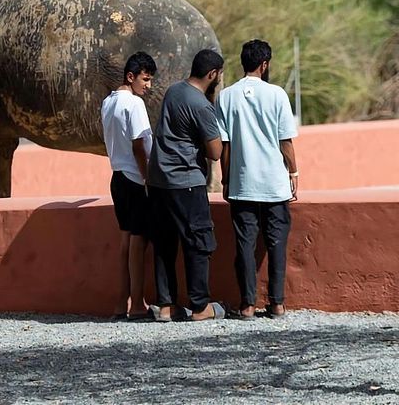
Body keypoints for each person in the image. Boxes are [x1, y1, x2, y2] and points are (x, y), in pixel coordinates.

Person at [216, 39, 299, 320]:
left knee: (244, 245)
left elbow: (224, 146)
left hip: (242, 183)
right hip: (274, 183)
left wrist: (226, 181)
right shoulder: (277, 95)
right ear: (264, 64)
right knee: (277, 243)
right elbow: (285, 141)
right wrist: (294, 171)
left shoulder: (226, 96)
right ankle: (277, 304)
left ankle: (247, 305)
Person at [147, 49, 225, 322]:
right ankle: (200, 306)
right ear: (212, 74)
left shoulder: (174, 91)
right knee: (198, 241)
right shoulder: (201, 104)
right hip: (186, 181)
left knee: (165, 244)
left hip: (158, 180)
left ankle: (167, 305)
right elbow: (215, 152)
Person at [101, 51, 157, 321]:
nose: (148, 86)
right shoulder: (134, 104)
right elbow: (140, 144)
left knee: (126, 240)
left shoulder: (108, 102)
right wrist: (148, 178)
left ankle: (121, 302)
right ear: (131, 76)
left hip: (117, 176)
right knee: (138, 241)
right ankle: (137, 304)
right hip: (135, 177)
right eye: (145, 80)